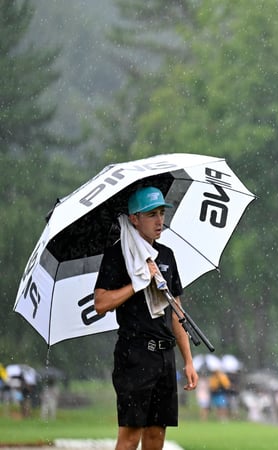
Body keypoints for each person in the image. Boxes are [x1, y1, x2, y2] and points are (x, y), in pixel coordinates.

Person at [94, 186, 198, 450]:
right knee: (130, 437)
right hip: (134, 354)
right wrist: (138, 283)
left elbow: (176, 312)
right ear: (134, 219)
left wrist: (188, 361)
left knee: (156, 436)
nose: (159, 220)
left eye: (162, 213)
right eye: (151, 214)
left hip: (165, 357)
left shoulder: (166, 256)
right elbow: (101, 303)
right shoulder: (117, 254)